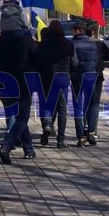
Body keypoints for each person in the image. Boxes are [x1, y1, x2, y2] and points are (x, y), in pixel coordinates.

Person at [0, 0, 39, 164]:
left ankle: (29, 149)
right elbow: (37, 57)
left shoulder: (0, 41)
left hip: (5, 82)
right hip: (23, 82)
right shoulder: (26, 40)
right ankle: (6, 146)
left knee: (20, 116)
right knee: (23, 116)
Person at [71, 24, 109, 147]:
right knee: (93, 104)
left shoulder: (73, 44)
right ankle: (92, 131)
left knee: (79, 104)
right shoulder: (97, 44)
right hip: (95, 75)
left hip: (78, 77)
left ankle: (82, 134)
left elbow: (73, 62)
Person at [37, 21, 76, 149]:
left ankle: (47, 125)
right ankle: (61, 139)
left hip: (47, 77)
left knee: (47, 103)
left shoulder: (44, 44)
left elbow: (39, 60)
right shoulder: (68, 43)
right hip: (63, 78)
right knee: (62, 109)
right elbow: (74, 62)